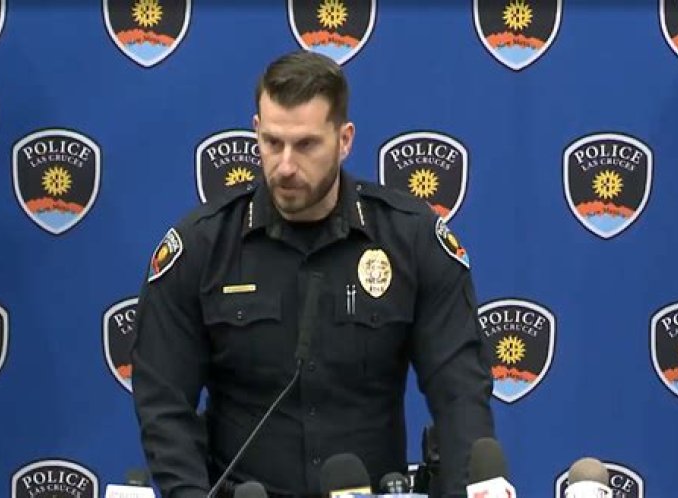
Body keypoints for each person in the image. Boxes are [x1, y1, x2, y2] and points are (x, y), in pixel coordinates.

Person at [131, 50, 495, 498]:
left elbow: (460, 393)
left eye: (306, 145)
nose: (285, 166)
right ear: (256, 131)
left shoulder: (411, 240)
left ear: (344, 140)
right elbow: (164, 403)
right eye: (271, 143)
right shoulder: (202, 247)